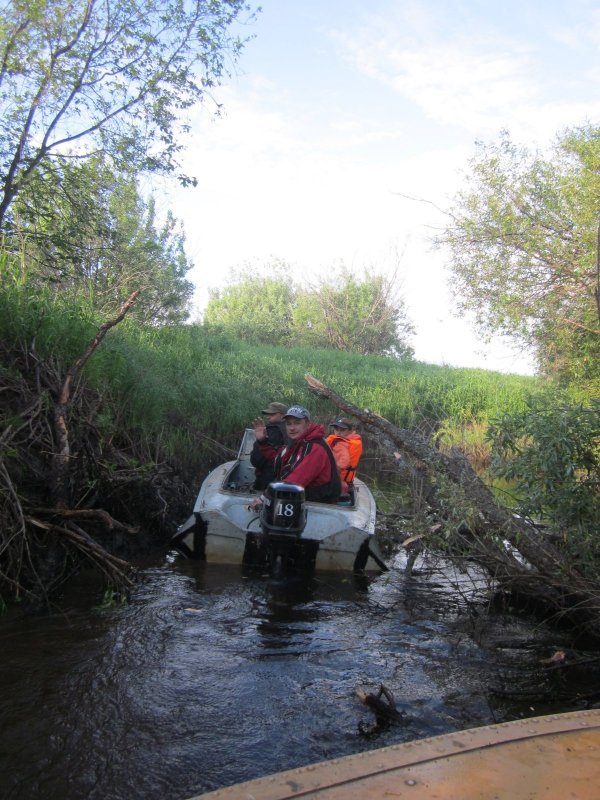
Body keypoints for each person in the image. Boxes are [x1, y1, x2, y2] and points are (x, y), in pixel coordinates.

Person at [249, 405, 341, 508]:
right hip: (301, 499)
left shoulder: (315, 447)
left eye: (297, 423)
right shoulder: (298, 442)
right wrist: (262, 441)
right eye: (288, 424)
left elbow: (294, 481)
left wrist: (264, 497)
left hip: (318, 505)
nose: (292, 428)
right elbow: (277, 458)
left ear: (308, 424)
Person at [250, 401, 289, 489]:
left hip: (268, 476)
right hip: (283, 475)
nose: (268, 416)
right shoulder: (291, 429)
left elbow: (257, 459)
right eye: (268, 414)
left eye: (272, 414)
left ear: (282, 415)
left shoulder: (272, 430)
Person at [325, 417, 363, 497]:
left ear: (350, 431)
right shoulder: (355, 441)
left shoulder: (341, 443)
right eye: (336, 429)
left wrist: (333, 475)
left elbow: (344, 462)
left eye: (342, 430)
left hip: (338, 481)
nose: (338, 432)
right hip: (348, 481)